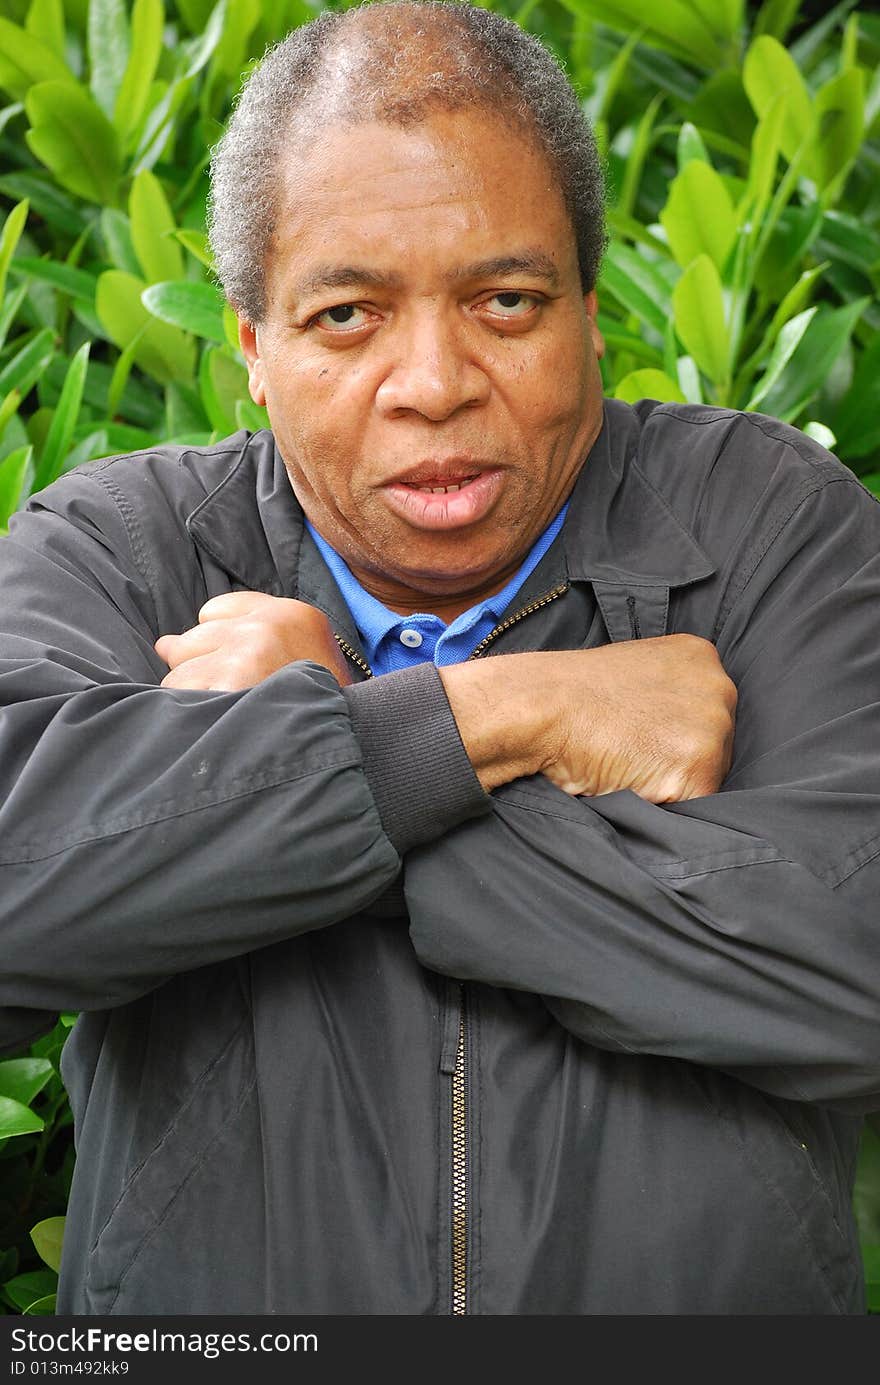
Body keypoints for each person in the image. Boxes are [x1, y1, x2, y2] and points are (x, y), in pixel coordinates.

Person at [0, 0, 878, 1317]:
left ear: (591, 308)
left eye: (506, 301)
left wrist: (302, 763)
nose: (435, 379)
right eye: (347, 315)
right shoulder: (125, 549)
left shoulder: (763, 523)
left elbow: (851, 973)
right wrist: (488, 720)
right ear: (250, 346)